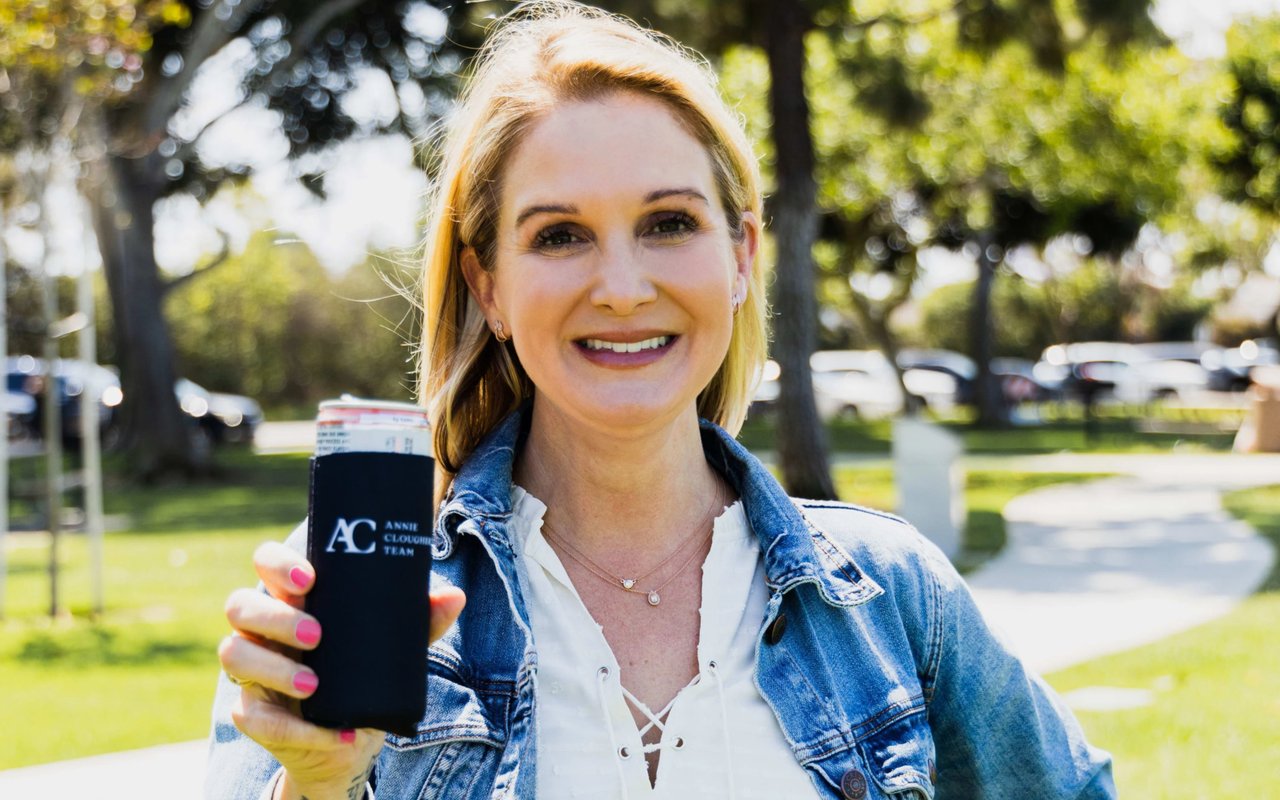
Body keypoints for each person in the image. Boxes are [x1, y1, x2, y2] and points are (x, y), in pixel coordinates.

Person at [208, 2, 1115, 798]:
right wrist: (319, 785)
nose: (623, 286)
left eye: (669, 223)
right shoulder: (349, 592)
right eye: (560, 236)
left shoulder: (891, 595)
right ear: (490, 287)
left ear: (740, 255)